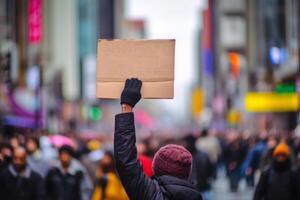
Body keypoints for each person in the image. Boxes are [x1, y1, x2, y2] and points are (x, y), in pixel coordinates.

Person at [114, 78, 203, 200]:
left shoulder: (152, 194)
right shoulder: (197, 196)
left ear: (156, 168)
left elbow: (126, 162)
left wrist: (126, 107)